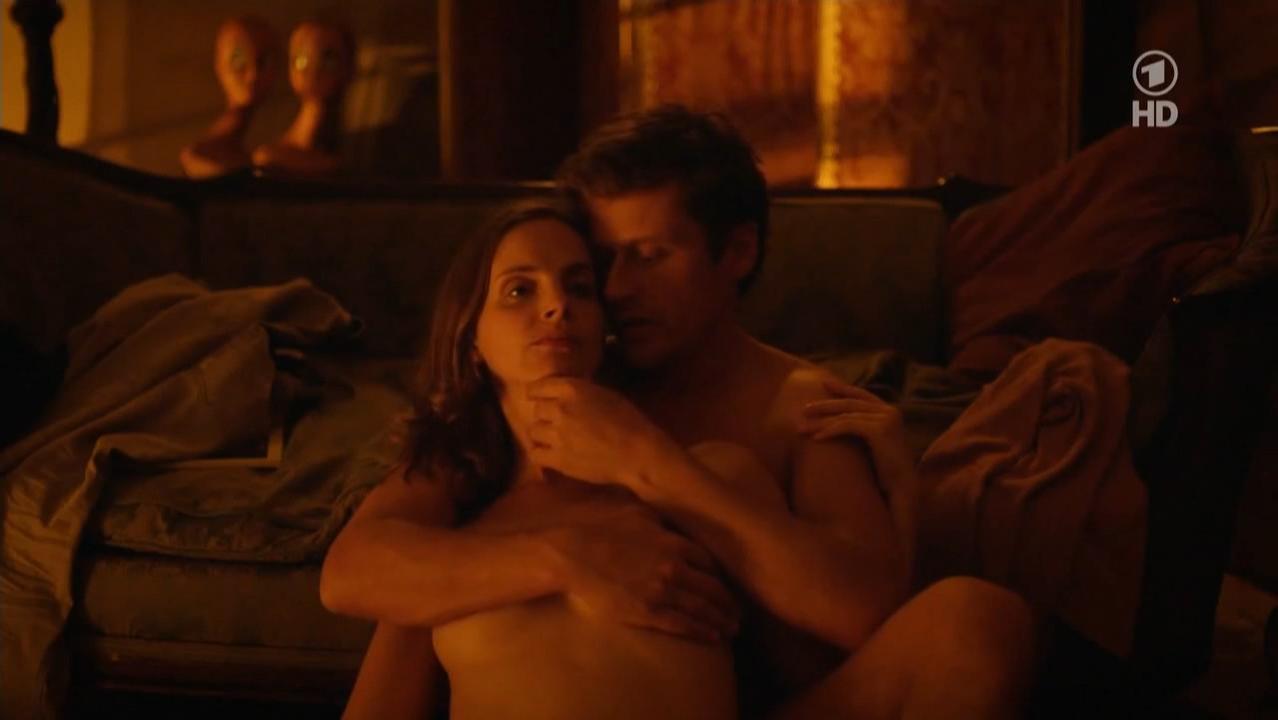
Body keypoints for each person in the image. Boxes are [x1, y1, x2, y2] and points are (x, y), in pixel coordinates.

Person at [325, 107, 1040, 719]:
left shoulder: (803, 410)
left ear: (737, 251)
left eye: (648, 255)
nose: (614, 290)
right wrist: (570, 557)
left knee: (978, 623)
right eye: (602, 263)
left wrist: (651, 464)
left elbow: (861, 622)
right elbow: (364, 568)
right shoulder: (539, 390)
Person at [322, 201, 750, 719]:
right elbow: (347, 577)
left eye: (579, 288)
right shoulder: (447, 533)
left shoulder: (703, 479)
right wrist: (571, 558)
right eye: (519, 290)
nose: (557, 306)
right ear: (471, 338)